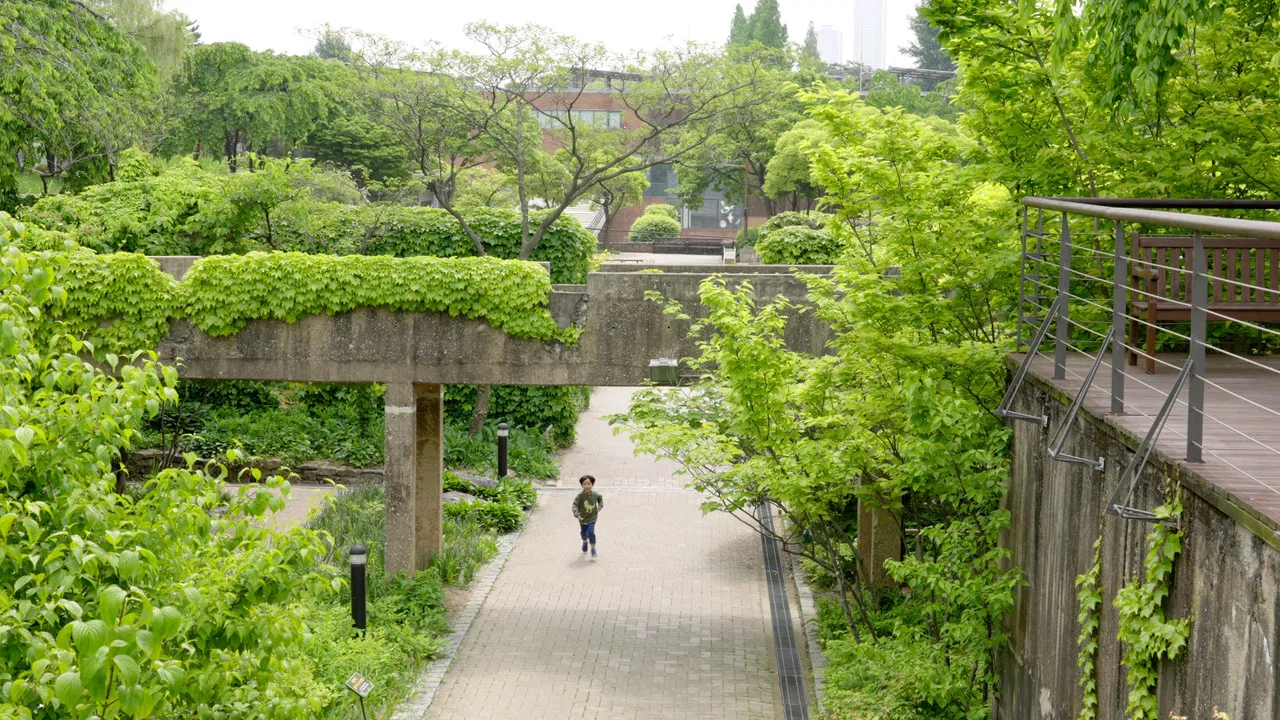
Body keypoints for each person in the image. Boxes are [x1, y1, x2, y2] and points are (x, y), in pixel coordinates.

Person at [572, 474, 604, 559]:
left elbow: (600, 499)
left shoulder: (595, 495)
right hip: (582, 518)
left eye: (589, 484)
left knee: (591, 533)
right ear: (582, 485)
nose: (587, 486)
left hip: (592, 517)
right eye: (585, 484)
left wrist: (600, 506)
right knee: (584, 534)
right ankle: (585, 541)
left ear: (592, 484)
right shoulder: (580, 496)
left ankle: (593, 548)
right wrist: (576, 514)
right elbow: (574, 505)